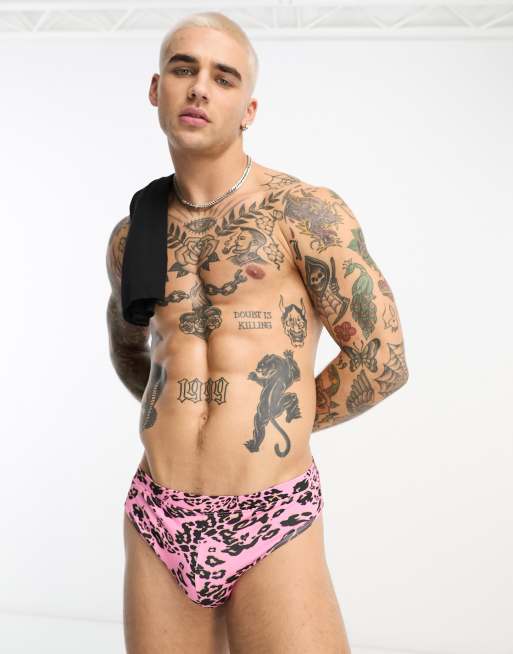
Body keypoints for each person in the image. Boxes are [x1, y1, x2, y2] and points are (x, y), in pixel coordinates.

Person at [106, 11, 409, 654]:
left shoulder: (304, 213)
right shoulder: (134, 234)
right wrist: (180, 414)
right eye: (183, 69)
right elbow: (132, 344)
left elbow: (382, 358)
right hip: (159, 516)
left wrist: (275, 415)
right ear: (156, 89)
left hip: (269, 516)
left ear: (248, 109)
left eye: (223, 77)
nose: (199, 88)